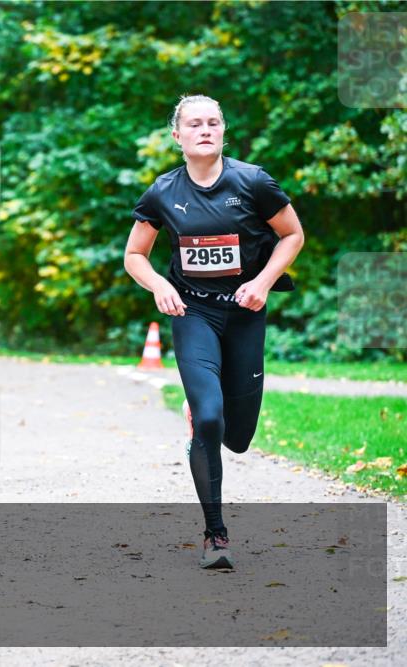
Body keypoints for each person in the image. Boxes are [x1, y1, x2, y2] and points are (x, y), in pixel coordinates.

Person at [123, 94, 304, 569]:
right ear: (177, 135)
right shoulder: (163, 192)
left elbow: (293, 235)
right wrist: (160, 286)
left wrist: (262, 283)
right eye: (195, 124)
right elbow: (134, 255)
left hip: (244, 313)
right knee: (208, 420)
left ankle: (207, 404)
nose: (205, 130)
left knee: (237, 436)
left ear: (224, 131)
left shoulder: (252, 181)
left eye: (214, 123)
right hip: (193, 313)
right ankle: (215, 535)